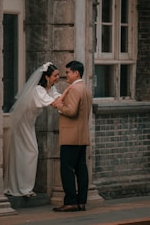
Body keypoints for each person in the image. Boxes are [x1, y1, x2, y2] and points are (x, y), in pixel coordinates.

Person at [4, 62, 62, 197]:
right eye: (55, 75)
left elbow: (57, 97)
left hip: (29, 123)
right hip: (22, 122)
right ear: (47, 77)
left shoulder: (50, 88)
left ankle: (21, 187)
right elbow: (55, 103)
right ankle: (23, 188)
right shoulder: (38, 90)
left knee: (25, 153)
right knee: (31, 152)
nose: (58, 77)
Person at [53, 60, 92, 212]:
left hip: (71, 136)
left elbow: (71, 111)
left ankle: (70, 202)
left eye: (68, 72)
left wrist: (58, 106)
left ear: (76, 73)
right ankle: (81, 202)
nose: (66, 75)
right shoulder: (85, 88)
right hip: (81, 135)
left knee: (67, 169)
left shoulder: (75, 89)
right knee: (81, 169)